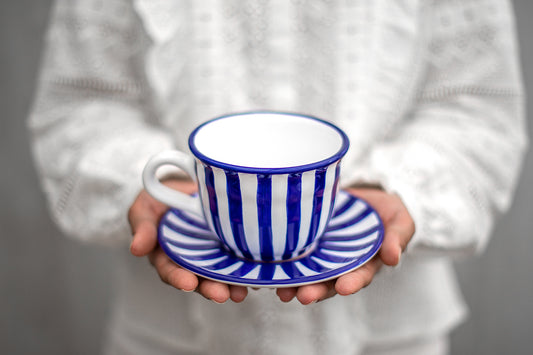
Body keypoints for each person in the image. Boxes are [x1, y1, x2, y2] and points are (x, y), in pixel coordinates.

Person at [28, 0, 527, 354]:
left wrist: (396, 190)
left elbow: (477, 107)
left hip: (391, 340)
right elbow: (80, 103)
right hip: (168, 340)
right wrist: (147, 185)